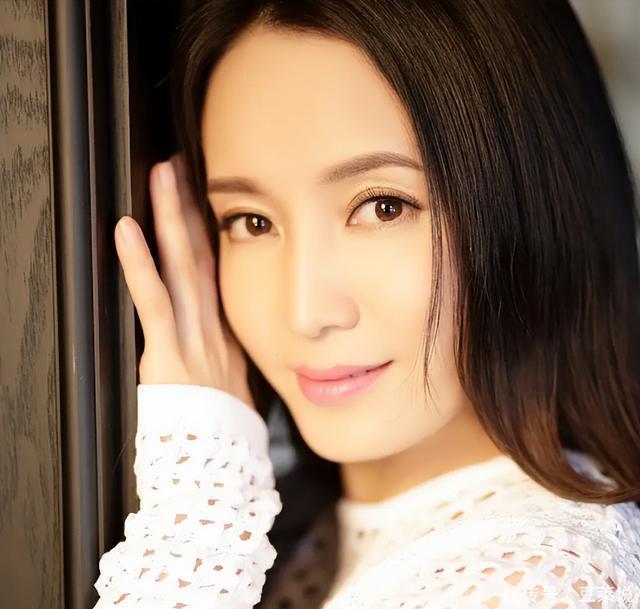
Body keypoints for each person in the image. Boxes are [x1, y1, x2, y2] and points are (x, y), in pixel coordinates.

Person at [93, 0, 640, 607]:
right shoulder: (293, 535)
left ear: (534, 203)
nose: (305, 312)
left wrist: (195, 523)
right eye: (251, 221)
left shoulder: (537, 585)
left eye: (383, 207)